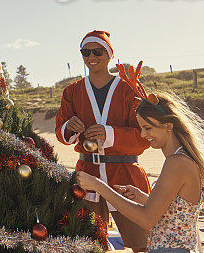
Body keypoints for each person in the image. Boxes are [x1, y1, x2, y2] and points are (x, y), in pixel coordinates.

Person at [77, 79, 204, 253]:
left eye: (148, 128)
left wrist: (98, 186)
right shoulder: (182, 159)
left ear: (168, 126)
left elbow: (147, 219)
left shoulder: (176, 163)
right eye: (141, 128)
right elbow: (174, 212)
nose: (143, 135)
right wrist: (144, 198)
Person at [54, 30, 151, 252]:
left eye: (97, 51)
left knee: (141, 243)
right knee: (90, 245)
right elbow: (61, 133)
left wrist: (109, 133)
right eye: (85, 52)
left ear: (109, 54)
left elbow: (144, 137)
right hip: (87, 174)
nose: (91, 56)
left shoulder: (129, 89)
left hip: (125, 174)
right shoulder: (71, 91)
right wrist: (69, 128)